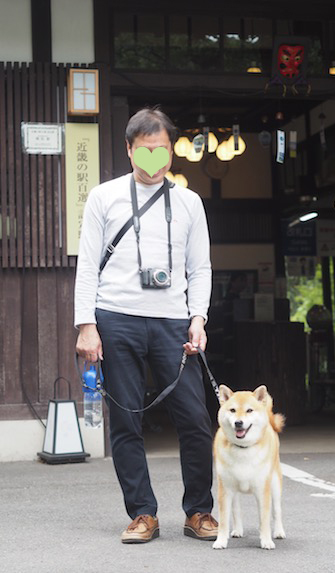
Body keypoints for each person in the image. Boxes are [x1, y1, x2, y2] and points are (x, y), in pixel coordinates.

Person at [74, 107, 217, 544]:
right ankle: (142, 514)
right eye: (145, 150)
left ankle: (199, 511)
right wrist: (86, 325)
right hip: (116, 317)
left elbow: (200, 268)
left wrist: (198, 318)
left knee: (194, 417)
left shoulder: (189, 202)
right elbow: (86, 266)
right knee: (126, 421)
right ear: (128, 149)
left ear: (171, 151)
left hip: (174, 321)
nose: (155, 158)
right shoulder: (104, 196)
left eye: (162, 150)